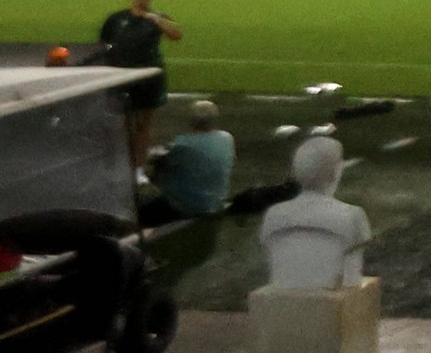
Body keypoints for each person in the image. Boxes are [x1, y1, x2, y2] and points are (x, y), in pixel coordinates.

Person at [257, 136, 371, 290]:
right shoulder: (352, 215)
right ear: (335, 173)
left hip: (281, 302)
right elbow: (352, 277)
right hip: (333, 305)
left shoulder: (273, 214)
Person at [98, 0, 185, 162]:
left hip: (149, 78)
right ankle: (123, 163)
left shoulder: (157, 19)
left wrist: (157, 20)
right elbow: (103, 43)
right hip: (122, 77)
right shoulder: (117, 19)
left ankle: (138, 166)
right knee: (121, 124)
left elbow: (176, 35)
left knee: (144, 124)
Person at [143, 101, 235, 226]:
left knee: (143, 206)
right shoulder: (227, 138)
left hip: (185, 206)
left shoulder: (184, 143)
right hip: (216, 202)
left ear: (192, 120)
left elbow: (159, 158)